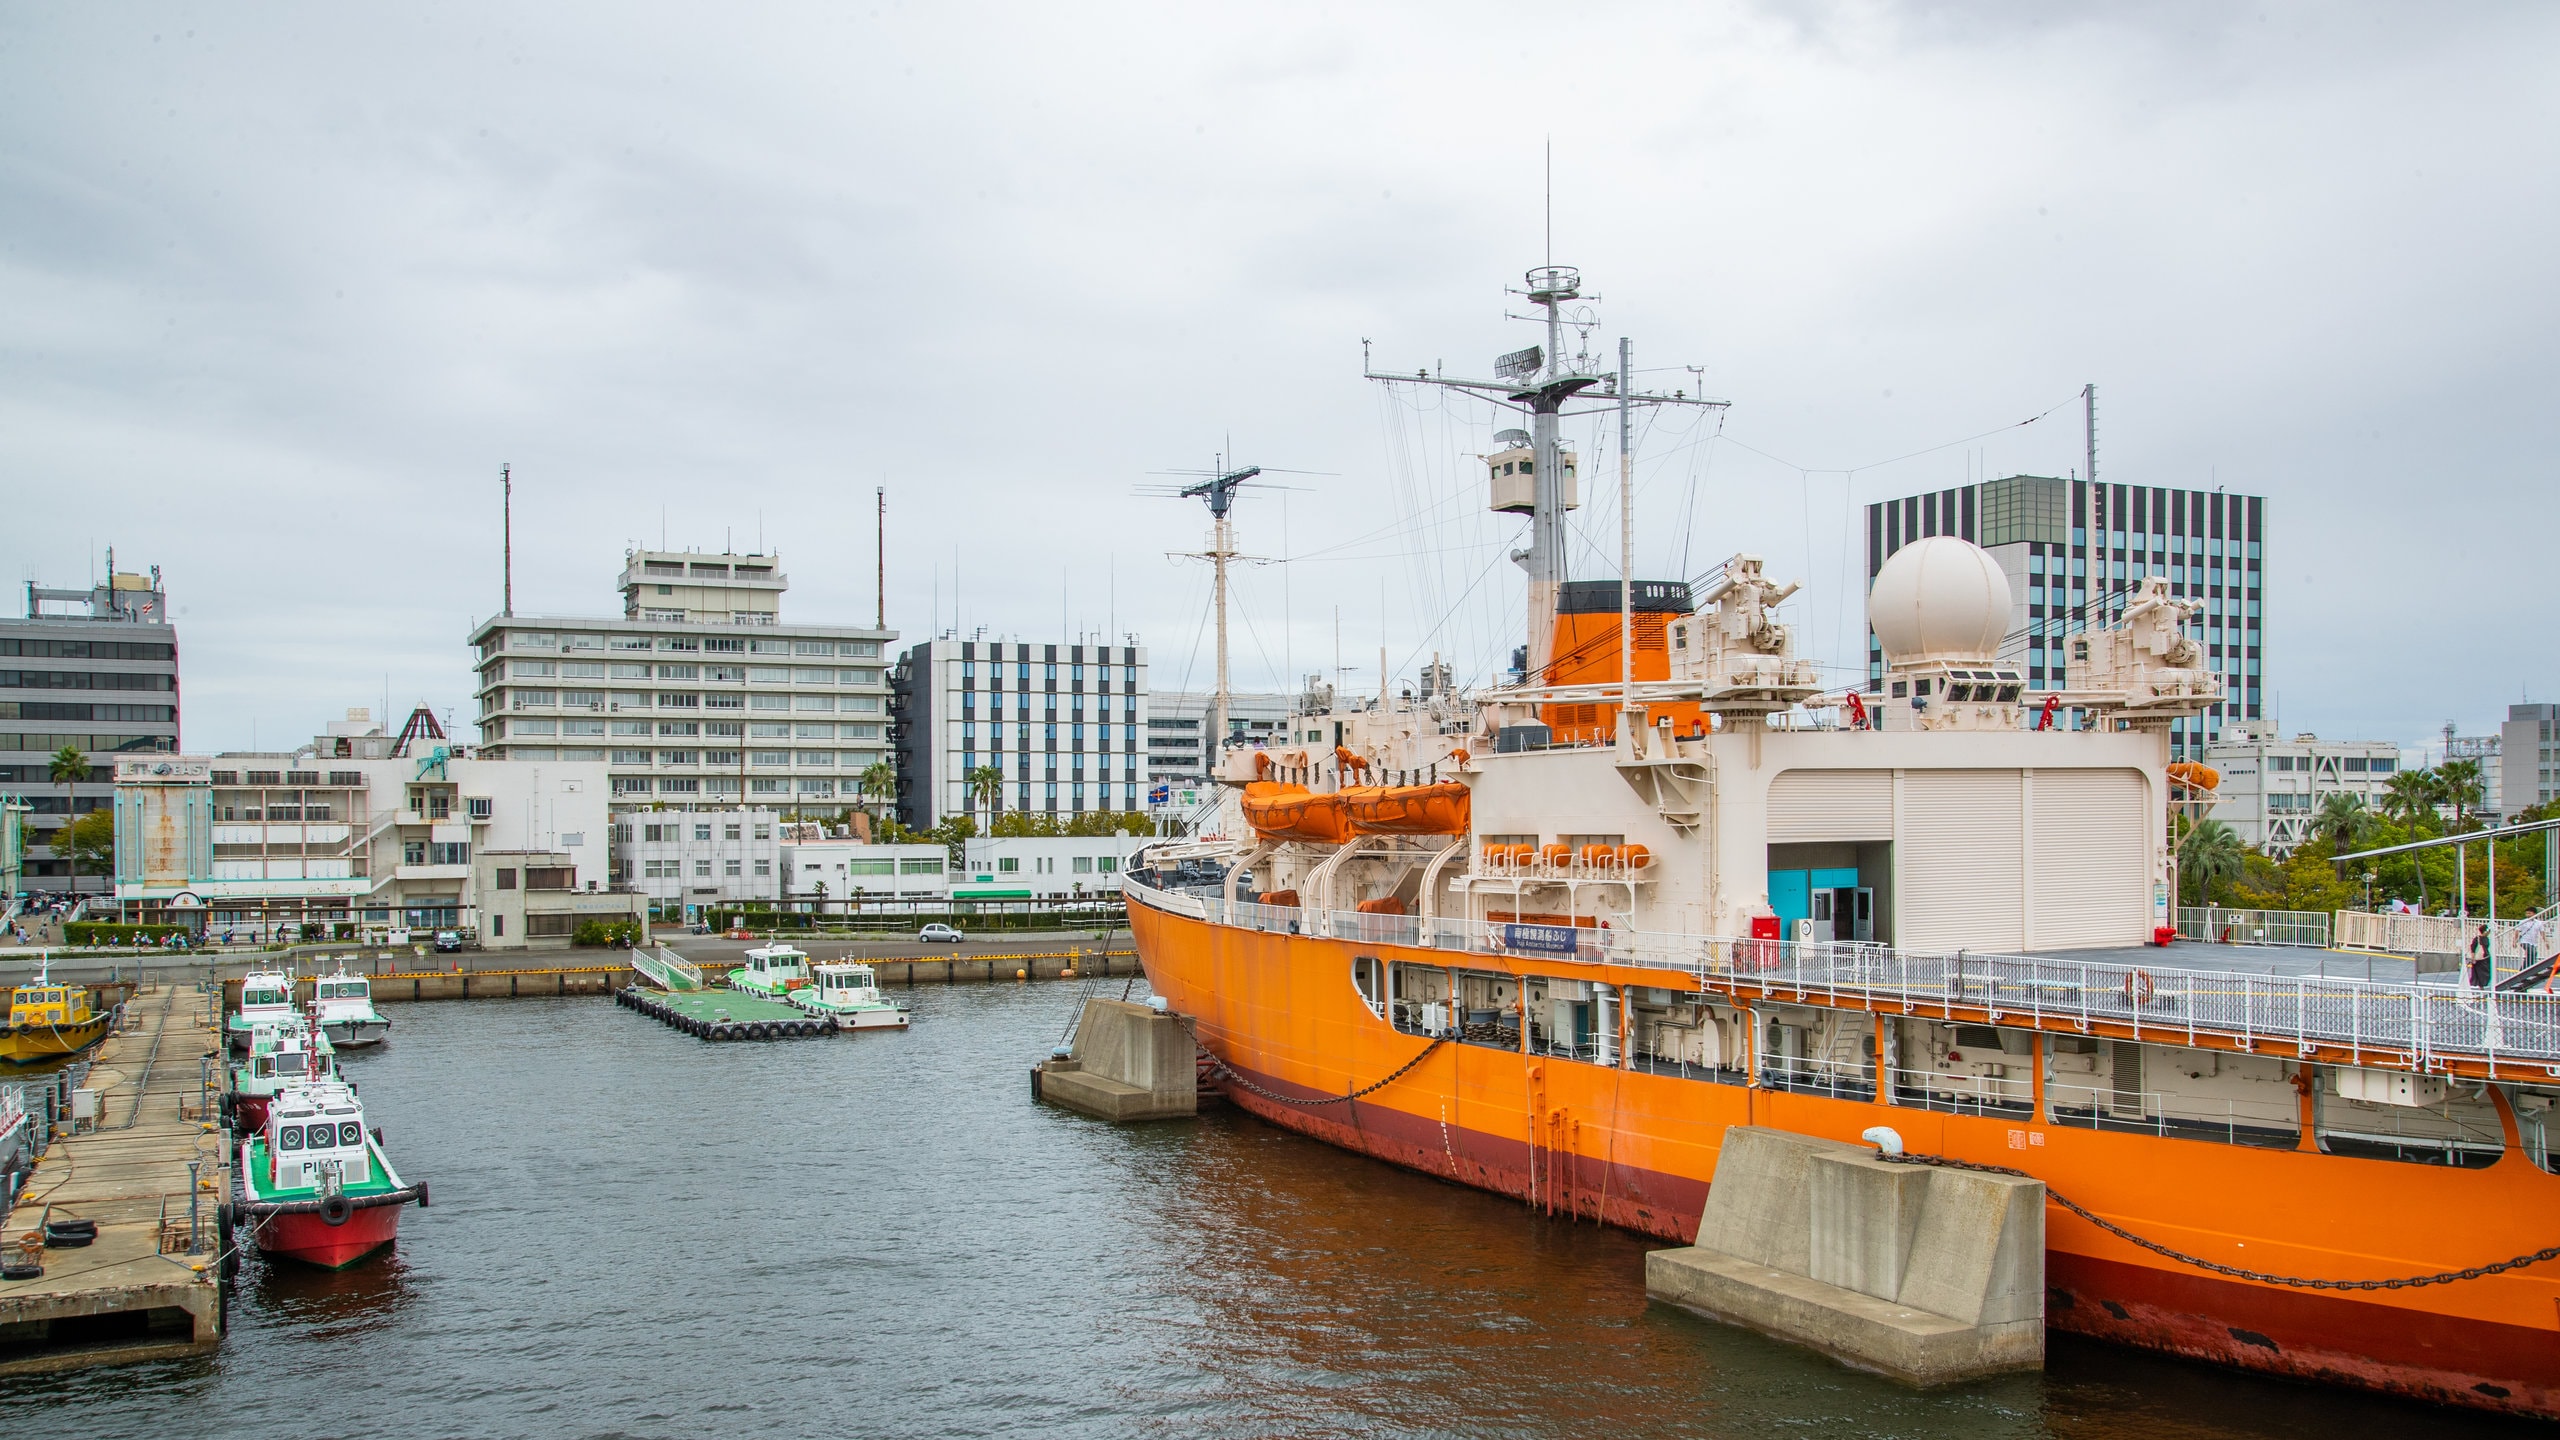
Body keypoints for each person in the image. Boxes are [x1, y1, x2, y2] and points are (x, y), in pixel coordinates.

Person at [2466, 923, 2493, 989]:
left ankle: (2483, 986)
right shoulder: (2477, 938)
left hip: (2486, 957)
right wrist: (2473, 958)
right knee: (2480, 973)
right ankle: (2481, 987)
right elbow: (2473, 948)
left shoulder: (2486, 938)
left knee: (2486, 972)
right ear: (2485, 931)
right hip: (2479, 958)